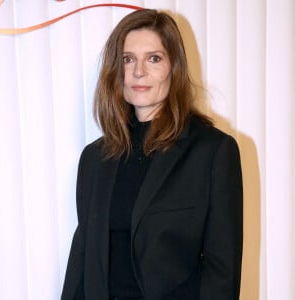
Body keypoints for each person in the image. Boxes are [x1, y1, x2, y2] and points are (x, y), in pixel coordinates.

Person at [61, 8, 243, 300]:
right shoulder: (94, 159)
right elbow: (83, 260)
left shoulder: (213, 152)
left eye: (154, 58)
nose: (138, 71)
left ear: (174, 68)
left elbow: (222, 275)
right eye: (128, 59)